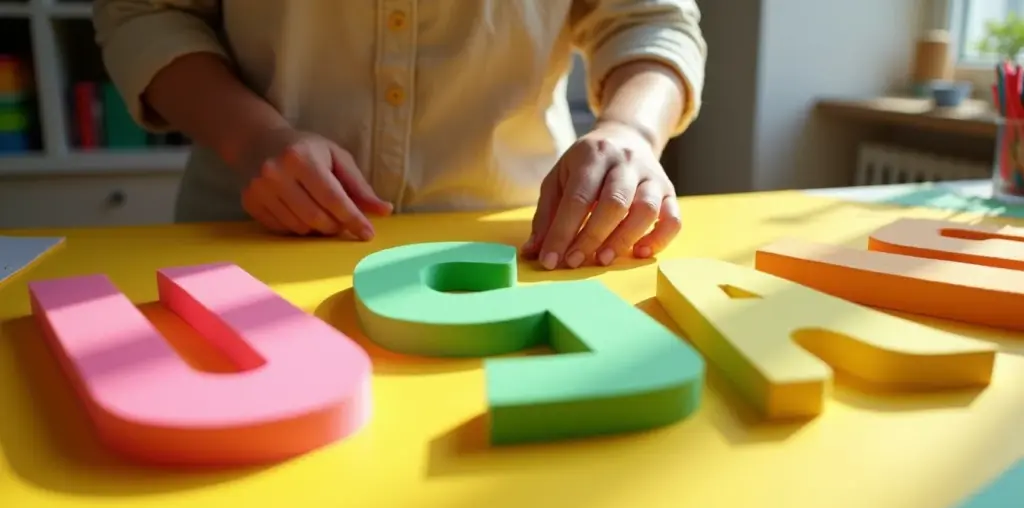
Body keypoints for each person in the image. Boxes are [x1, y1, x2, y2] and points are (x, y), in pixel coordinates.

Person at [93, 1, 705, 270]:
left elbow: (652, 18)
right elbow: (144, 11)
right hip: (249, 238)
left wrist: (630, 129)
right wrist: (252, 138)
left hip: (521, 245)